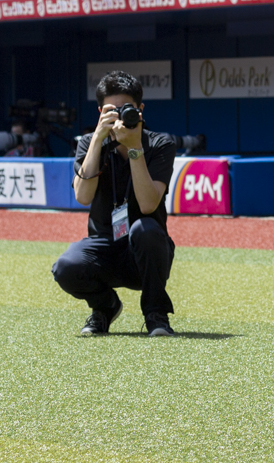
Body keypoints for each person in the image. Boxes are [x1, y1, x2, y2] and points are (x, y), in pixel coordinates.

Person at [51, 70, 181, 336]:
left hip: (146, 253)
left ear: (141, 109)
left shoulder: (160, 144)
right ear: (100, 111)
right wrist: (98, 139)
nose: (121, 115)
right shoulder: (89, 143)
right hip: (104, 249)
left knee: (144, 229)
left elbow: (148, 205)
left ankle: (156, 315)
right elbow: (83, 196)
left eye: (127, 109)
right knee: (66, 267)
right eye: (112, 110)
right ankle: (104, 307)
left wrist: (134, 148)